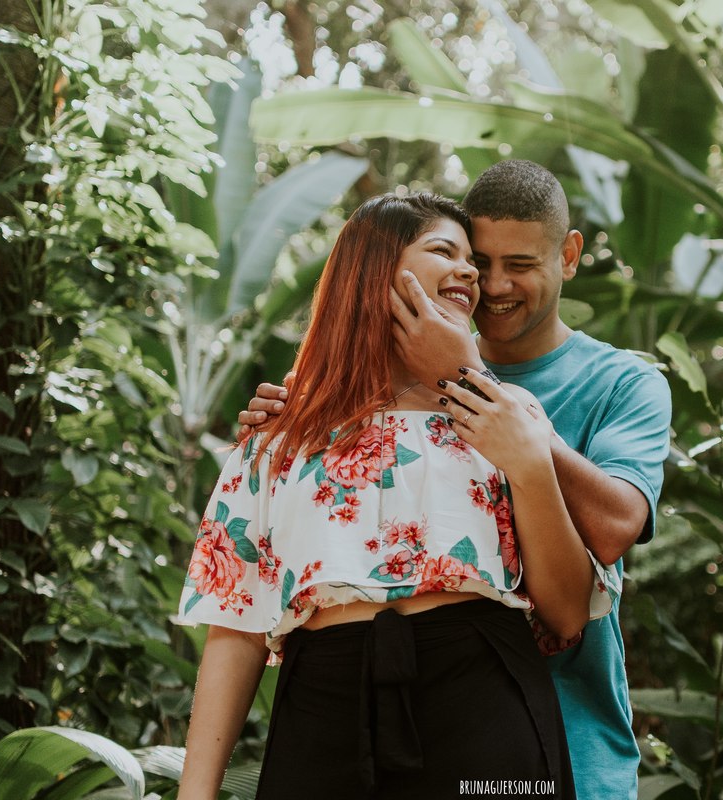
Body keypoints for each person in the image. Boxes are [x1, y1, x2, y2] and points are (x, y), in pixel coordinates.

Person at [242, 161, 673, 799]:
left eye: (520, 265)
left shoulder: (623, 384)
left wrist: (470, 379)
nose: (494, 284)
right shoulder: (381, 396)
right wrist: (301, 417)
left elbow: (613, 528)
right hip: (403, 725)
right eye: (479, 259)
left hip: (567, 738)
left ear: (570, 255)